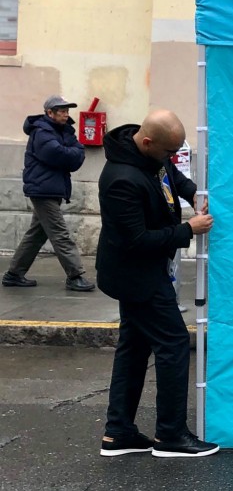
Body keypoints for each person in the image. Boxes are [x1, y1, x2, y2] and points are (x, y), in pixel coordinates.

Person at [96, 109, 218, 458]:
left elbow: (172, 177)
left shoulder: (150, 156)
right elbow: (135, 240)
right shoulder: (121, 179)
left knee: (134, 349)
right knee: (175, 343)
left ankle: (118, 433)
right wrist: (186, 231)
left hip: (141, 272)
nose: (170, 158)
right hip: (136, 275)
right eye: (167, 151)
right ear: (148, 142)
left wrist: (194, 193)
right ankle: (171, 435)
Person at [2, 96, 95, 291]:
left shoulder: (63, 131)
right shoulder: (42, 132)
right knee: (60, 233)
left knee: (37, 233)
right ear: (49, 113)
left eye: (67, 110)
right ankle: (75, 275)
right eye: (61, 110)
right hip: (42, 190)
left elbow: (78, 153)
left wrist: (70, 152)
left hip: (52, 189)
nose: (65, 114)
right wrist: (70, 153)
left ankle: (14, 274)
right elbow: (58, 154)